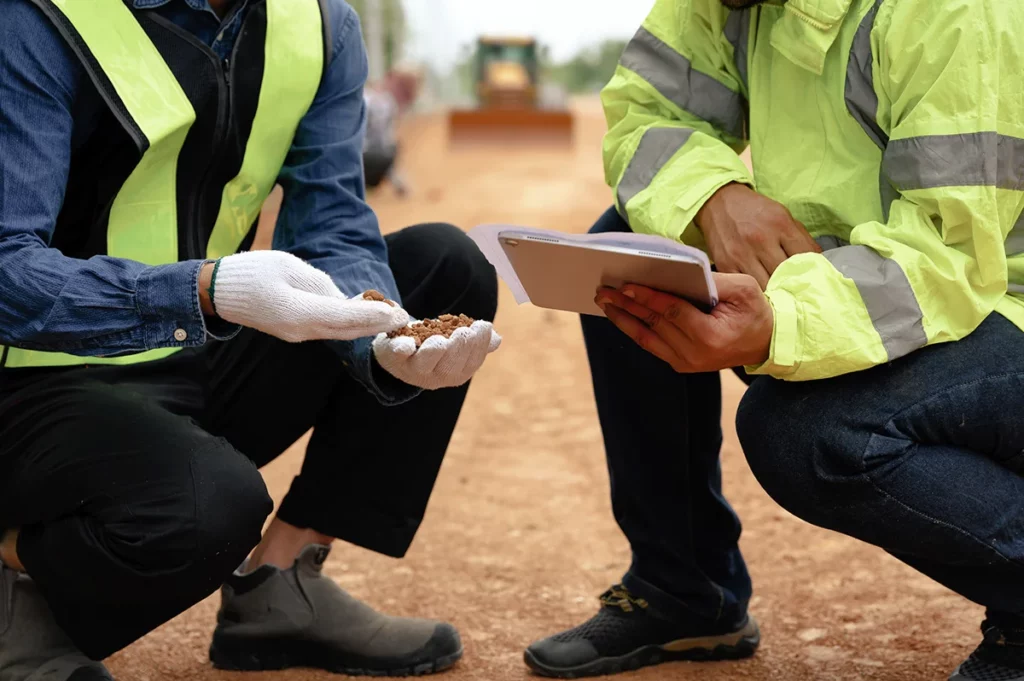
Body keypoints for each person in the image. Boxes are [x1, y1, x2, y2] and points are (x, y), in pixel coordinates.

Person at [0, 1, 500, 679]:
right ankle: (14, 585)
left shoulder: (322, 26)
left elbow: (335, 222)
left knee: (444, 271)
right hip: (31, 379)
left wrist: (380, 341)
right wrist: (205, 292)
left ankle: (281, 585)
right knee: (209, 507)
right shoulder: (37, 17)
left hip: (191, 346)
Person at [525, 1, 1024, 680]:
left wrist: (778, 324)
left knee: (806, 433)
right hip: (877, 274)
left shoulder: (953, 11)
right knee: (629, 268)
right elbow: (645, 109)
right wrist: (713, 196)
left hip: (995, 300)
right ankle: (686, 589)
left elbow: (949, 260)